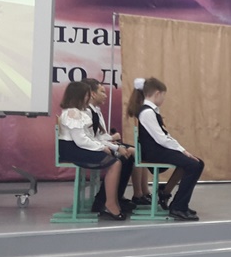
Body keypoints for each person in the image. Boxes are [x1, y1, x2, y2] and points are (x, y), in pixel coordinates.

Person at [128, 77, 204, 221]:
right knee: (193, 165)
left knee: (197, 163)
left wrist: (181, 150)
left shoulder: (151, 111)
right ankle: (178, 207)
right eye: (163, 95)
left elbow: (165, 135)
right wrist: (182, 150)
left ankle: (166, 193)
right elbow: (161, 139)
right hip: (154, 152)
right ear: (157, 93)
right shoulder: (147, 112)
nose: (164, 99)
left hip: (157, 149)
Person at [57, 81, 126, 221]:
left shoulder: (78, 113)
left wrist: (103, 146)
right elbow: (81, 140)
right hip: (72, 150)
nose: (88, 98)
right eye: (86, 95)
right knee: (115, 163)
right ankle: (110, 203)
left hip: (77, 147)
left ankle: (112, 200)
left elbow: (88, 137)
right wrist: (101, 147)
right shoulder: (72, 113)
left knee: (116, 160)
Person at [83, 78, 138, 214]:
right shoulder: (86, 112)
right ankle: (102, 201)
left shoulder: (96, 110)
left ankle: (117, 197)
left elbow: (100, 136)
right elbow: (92, 139)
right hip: (90, 148)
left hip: (99, 144)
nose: (105, 95)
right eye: (102, 92)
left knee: (130, 155)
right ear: (92, 94)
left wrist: (113, 141)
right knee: (123, 157)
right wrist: (115, 146)